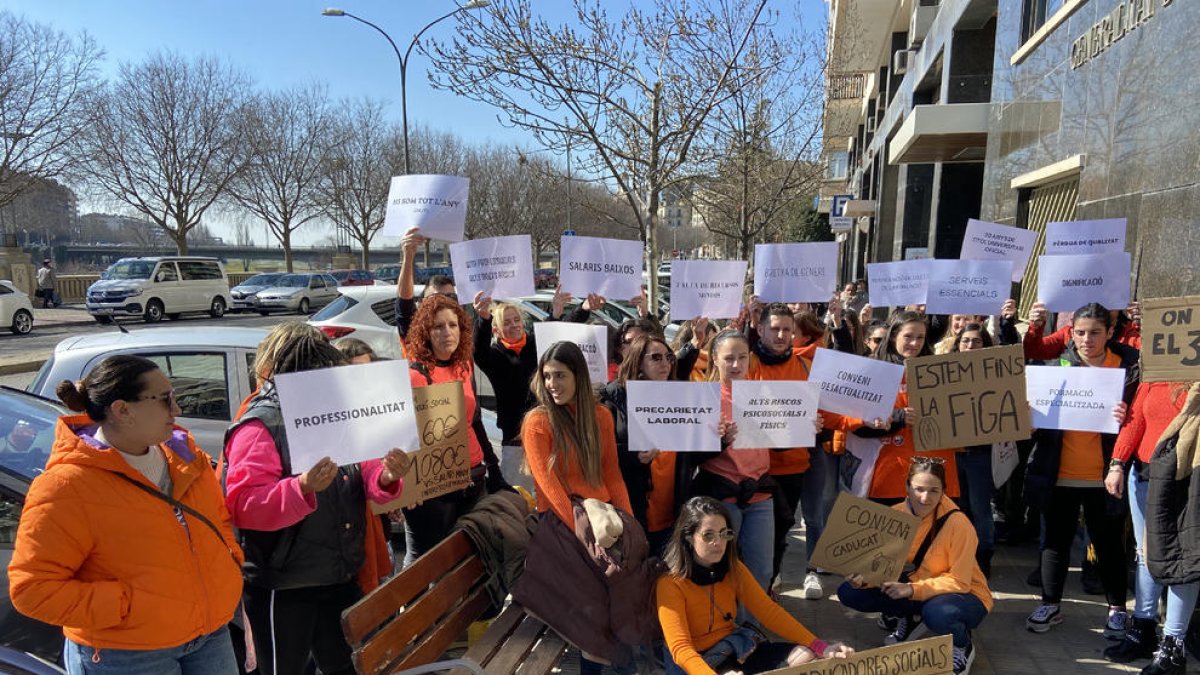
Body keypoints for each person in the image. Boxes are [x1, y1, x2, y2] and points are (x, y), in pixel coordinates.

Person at [9, 355, 244, 673]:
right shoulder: (66, 486)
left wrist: (229, 563)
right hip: (128, 654)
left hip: (210, 634)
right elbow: (32, 590)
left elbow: (219, 519)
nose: (177, 410)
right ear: (122, 410)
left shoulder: (186, 457)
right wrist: (126, 604)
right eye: (165, 399)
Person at [223, 323, 410, 675]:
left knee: (347, 666)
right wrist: (302, 488)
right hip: (284, 584)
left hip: (339, 573)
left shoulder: (335, 408)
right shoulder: (259, 425)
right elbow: (243, 506)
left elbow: (362, 470)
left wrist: (385, 476)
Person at [518, 340, 652, 674]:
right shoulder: (537, 422)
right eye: (547, 376)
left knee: (627, 582)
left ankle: (624, 666)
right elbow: (551, 491)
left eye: (560, 376)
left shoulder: (600, 416)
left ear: (578, 376)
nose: (552, 385)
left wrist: (630, 525)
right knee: (597, 599)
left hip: (601, 515)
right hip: (563, 525)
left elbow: (612, 475)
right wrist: (585, 539)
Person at [1022, 303, 1137, 639]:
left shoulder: (1128, 368)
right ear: (1071, 333)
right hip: (1059, 471)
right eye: (1081, 332)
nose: (1087, 339)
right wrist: (1030, 415)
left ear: (1110, 332)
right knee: (1055, 542)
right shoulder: (1056, 365)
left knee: (1108, 544)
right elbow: (1033, 427)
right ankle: (1049, 603)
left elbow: (1139, 418)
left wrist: (1125, 414)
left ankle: (1117, 609)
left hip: (1105, 474)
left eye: (1095, 332)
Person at [657, 496, 854, 674]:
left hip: (732, 648)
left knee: (806, 654)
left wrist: (821, 646)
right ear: (689, 538)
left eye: (724, 533)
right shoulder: (670, 583)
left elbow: (768, 611)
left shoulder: (734, 568)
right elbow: (681, 648)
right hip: (695, 661)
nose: (718, 542)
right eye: (708, 535)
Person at [837, 457, 992, 675]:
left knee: (939, 614)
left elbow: (960, 581)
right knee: (850, 592)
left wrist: (911, 590)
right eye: (918, 489)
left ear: (944, 491)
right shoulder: (894, 515)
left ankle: (962, 644)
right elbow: (880, 564)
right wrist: (863, 578)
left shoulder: (959, 523)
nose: (925, 497)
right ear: (907, 487)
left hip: (965, 594)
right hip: (916, 586)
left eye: (934, 491)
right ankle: (910, 618)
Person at [746, 302, 858, 600]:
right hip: (756, 467)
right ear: (760, 329)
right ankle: (758, 591)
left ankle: (767, 589)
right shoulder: (747, 365)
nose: (781, 334)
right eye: (775, 329)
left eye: (787, 329)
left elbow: (832, 413)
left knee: (782, 530)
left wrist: (865, 418)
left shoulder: (806, 368)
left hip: (794, 467)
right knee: (756, 536)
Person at [403, 293, 510, 565]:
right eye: (438, 326)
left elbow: (474, 421)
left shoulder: (465, 365)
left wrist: (494, 470)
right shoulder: (414, 374)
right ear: (425, 331)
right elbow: (405, 437)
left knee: (470, 561)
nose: (447, 332)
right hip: (433, 489)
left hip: (473, 478)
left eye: (453, 325)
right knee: (427, 565)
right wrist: (408, 488)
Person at [1103, 380, 1199, 671]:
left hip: (1187, 479)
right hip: (1143, 475)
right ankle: (1143, 628)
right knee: (1145, 553)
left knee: (1185, 561)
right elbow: (1136, 419)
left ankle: (1173, 645)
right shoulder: (1156, 372)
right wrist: (1117, 462)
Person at [692, 330, 779, 591]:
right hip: (722, 497)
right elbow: (691, 452)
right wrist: (720, 442)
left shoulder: (763, 394)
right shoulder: (703, 397)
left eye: (742, 358)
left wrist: (808, 427)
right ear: (715, 359)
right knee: (719, 568)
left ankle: (748, 627)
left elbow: (781, 440)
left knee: (761, 570)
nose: (736, 365)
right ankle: (723, 627)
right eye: (729, 358)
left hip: (760, 496)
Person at [600, 330, 703, 550]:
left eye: (669, 357)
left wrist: (719, 438)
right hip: (633, 511)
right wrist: (633, 456)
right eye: (656, 357)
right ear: (638, 363)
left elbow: (695, 456)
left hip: (672, 512)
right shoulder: (612, 400)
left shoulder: (682, 397)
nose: (664, 363)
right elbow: (599, 451)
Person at [472, 289, 577, 493]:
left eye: (516, 320)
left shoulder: (534, 345)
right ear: (496, 330)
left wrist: (571, 310)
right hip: (516, 438)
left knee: (554, 493)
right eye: (506, 323)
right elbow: (479, 351)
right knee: (521, 496)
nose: (513, 326)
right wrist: (483, 318)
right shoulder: (495, 357)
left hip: (549, 432)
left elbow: (555, 330)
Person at [850, 311, 961, 504]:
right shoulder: (872, 370)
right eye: (908, 336)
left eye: (920, 338)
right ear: (893, 336)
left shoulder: (939, 373)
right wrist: (897, 417)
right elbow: (856, 423)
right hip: (888, 477)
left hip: (931, 480)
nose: (914, 343)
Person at [948, 322, 998, 575]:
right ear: (958, 344)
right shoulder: (944, 371)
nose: (970, 345)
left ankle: (983, 556)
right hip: (952, 452)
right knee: (959, 507)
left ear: (985, 345)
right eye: (965, 341)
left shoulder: (996, 374)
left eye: (976, 341)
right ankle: (961, 555)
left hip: (980, 453)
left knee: (980, 508)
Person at [394, 227, 457, 344]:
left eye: (451, 297)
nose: (444, 303)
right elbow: (404, 301)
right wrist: (408, 257)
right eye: (436, 298)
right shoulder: (415, 335)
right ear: (421, 304)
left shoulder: (463, 339)